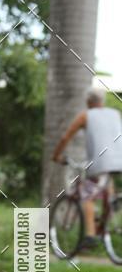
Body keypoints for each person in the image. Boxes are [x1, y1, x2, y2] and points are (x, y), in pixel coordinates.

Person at [52, 87, 122, 248]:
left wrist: (56, 156)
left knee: (87, 196)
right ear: (102, 101)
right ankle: (103, 226)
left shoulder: (85, 116)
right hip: (118, 161)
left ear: (88, 101)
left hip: (100, 162)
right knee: (107, 192)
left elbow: (65, 138)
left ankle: (90, 235)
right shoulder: (115, 114)